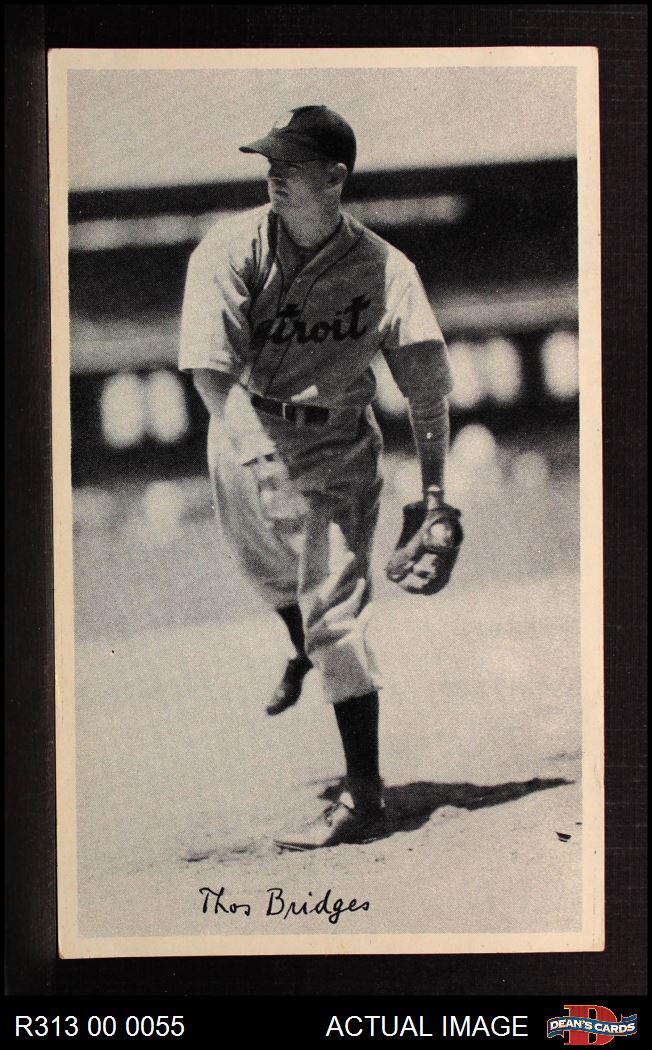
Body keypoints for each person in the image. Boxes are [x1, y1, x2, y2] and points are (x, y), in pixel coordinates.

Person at [179, 106, 455, 850]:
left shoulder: (387, 270)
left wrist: (435, 497)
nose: (274, 174)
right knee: (265, 571)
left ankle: (364, 796)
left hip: (335, 444)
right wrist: (257, 457)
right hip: (242, 428)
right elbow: (209, 372)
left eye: (292, 164)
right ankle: (299, 645)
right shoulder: (229, 248)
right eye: (270, 162)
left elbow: (427, 392)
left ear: (335, 178)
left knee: (334, 614)